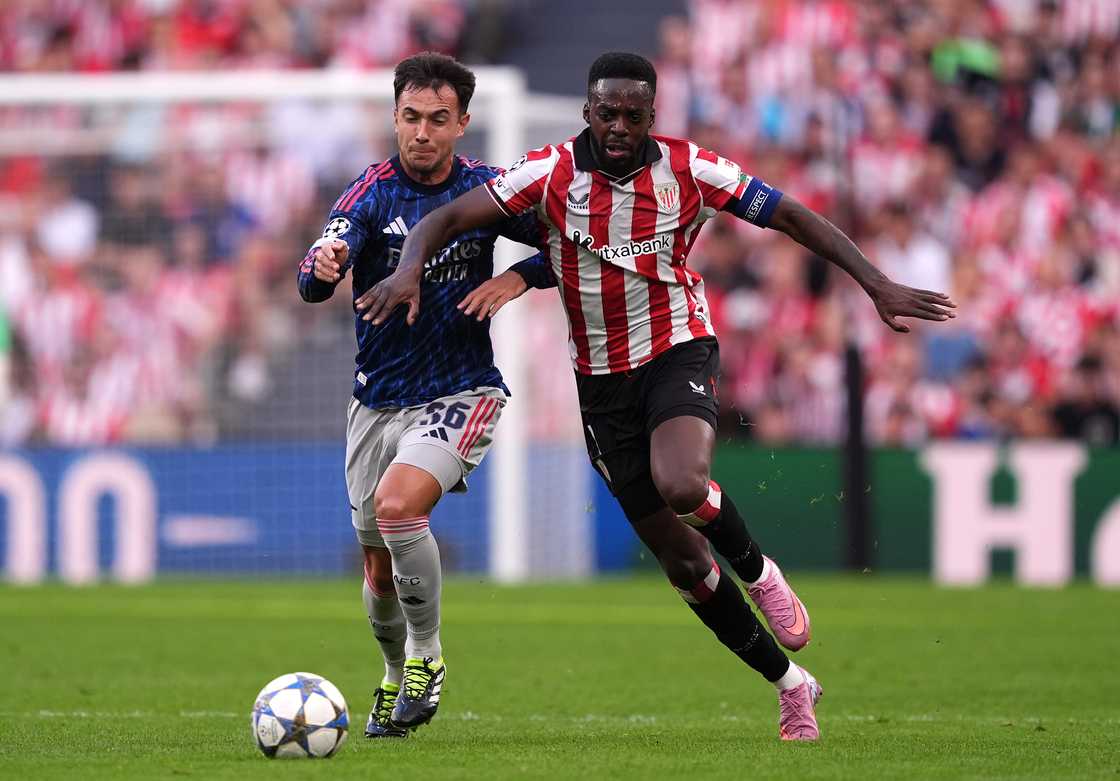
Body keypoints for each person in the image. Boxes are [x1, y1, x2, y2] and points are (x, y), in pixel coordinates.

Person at [356, 52, 957, 742]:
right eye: (606, 112)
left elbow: (790, 216)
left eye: (632, 114)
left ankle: (761, 569)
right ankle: (791, 685)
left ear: (652, 115)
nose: (618, 126)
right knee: (683, 561)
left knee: (681, 482)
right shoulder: (548, 172)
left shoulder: (691, 168)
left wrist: (875, 282)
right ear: (588, 112)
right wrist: (409, 271)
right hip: (601, 384)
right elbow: (445, 221)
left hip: (676, 348)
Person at [297, 52, 552, 738]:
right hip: (376, 400)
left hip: (461, 390)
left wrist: (518, 278)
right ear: (394, 117)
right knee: (376, 563)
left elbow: (572, 241)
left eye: (439, 119)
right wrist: (321, 264)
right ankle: (392, 671)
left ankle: (427, 660)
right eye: (411, 117)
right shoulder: (369, 193)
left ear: (463, 123)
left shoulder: (487, 190)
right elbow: (318, 270)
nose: (422, 132)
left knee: (399, 506)